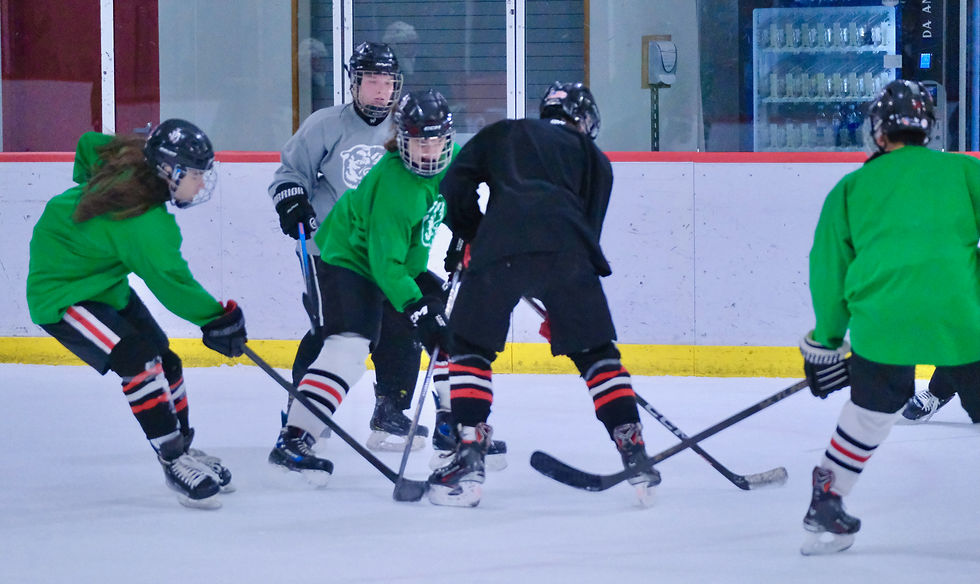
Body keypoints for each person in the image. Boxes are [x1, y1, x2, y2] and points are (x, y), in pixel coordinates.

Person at [426, 81, 661, 508]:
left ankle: (468, 451)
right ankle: (634, 448)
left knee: (469, 349)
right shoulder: (596, 159)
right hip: (569, 255)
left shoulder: (507, 132)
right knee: (597, 354)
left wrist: (472, 233)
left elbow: (455, 181)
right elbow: (587, 233)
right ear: (585, 120)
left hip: (498, 249)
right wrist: (567, 311)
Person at [26, 120, 248, 510]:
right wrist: (218, 319)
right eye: (194, 175)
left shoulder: (133, 159)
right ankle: (171, 458)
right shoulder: (144, 222)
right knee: (138, 361)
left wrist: (86, 186)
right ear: (168, 170)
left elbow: (88, 144)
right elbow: (171, 282)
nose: (200, 185)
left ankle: (183, 447)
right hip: (62, 292)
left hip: (103, 283)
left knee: (167, 361)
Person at [798, 79, 980, 555]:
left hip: (882, 327)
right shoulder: (964, 172)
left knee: (869, 414)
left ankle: (827, 500)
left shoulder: (851, 187)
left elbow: (829, 271)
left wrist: (826, 341)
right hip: (962, 322)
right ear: (929, 129)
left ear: (878, 133)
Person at [268, 89, 459, 484]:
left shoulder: (451, 162)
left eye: (436, 140)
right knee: (349, 345)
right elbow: (385, 267)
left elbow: (455, 201)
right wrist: (416, 306)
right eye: (419, 142)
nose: (428, 151)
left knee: (446, 328)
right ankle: (295, 437)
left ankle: (450, 425)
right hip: (351, 262)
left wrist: (467, 235)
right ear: (402, 139)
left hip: (397, 263)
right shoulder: (395, 185)